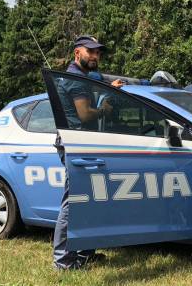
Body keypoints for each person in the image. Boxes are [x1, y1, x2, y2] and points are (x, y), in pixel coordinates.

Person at [53, 35, 123, 270]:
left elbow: (94, 85)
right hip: (76, 144)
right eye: (90, 52)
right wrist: (103, 110)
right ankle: (63, 260)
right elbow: (84, 115)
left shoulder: (83, 77)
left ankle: (84, 254)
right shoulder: (75, 80)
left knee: (89, 201)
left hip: (83, 142)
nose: (95, 56)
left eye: (98, 52)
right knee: (73, 203)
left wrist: (107, 88)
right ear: (77, 53)